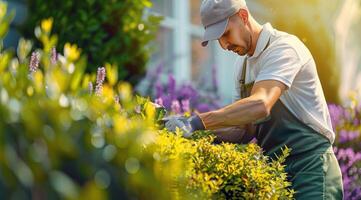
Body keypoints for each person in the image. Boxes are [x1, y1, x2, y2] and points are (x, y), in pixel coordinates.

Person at [162, 0, 344, 199]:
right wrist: (188, 130)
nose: (224, 45)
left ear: (243, 16)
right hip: (278, 175)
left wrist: (197, 122)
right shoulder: (242, 67)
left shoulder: (284, 48)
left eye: (225, 34)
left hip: (312, 170)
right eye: (218, 40)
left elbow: (260, 104)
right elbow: (243, 130)